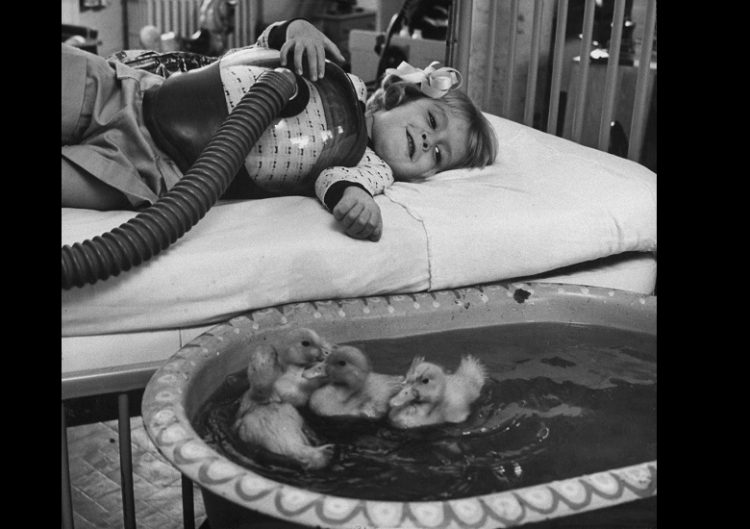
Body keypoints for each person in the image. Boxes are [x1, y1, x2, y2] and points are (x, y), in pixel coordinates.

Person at [62, 18, 497, 242]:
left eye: (438, 155)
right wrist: (299, 31)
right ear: (402, 95)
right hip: (134, 91)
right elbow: (264, 47)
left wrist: (358, 202)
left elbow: (335, 181)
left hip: (155, 169)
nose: (428, 141)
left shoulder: (368, 166)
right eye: (432, 122)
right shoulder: (339, 72)